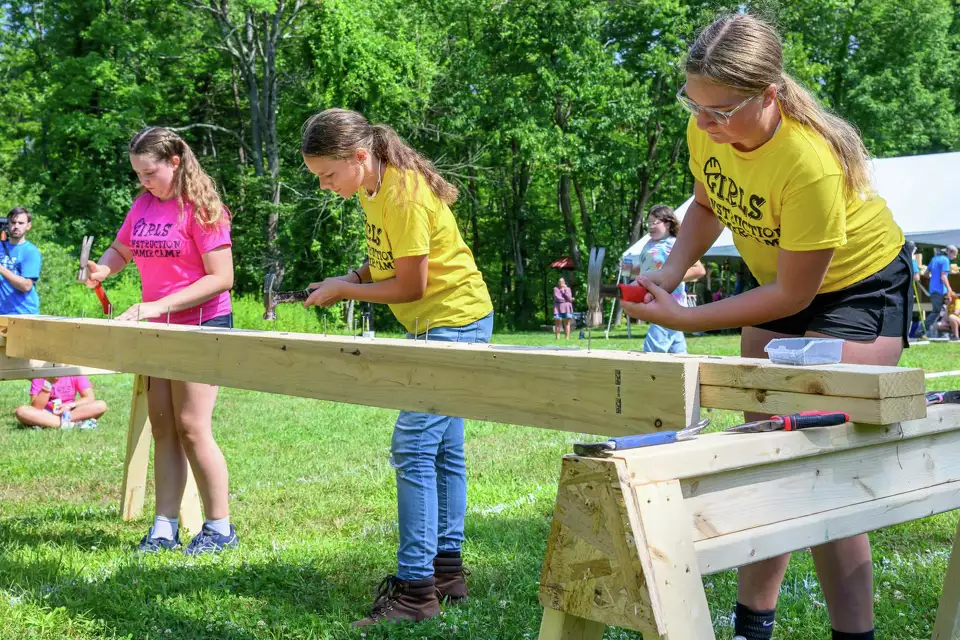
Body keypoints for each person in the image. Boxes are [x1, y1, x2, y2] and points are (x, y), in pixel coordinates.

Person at [621, 14, 909, 640]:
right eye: (694, 106)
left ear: (769, 95)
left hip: (857, 286)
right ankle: (753, 627)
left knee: (823, 455)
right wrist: (669, 275)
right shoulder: (710, 127)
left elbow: (794, 292)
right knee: (765, 452)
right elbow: (705, 204)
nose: (704, 124)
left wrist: (689, 318)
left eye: (719, 111)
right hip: (783, 278)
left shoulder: (808, 161)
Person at [299, 108, 493, 627]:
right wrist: (351, 275)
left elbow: (412, 286)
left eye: (327, 175)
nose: (324, 186)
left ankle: (414, 594)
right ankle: (446, 571)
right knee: (443, 450)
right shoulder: (373, 188)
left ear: (359, 157)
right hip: (440, 324)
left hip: (454, 323)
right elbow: (389, 262)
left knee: (412, 447)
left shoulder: (403, 193)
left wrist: (345, 290)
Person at [83, 127, 237, 555]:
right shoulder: (143, 205)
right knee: (164, 426)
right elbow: (121, 248)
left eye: (149, 172)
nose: (142, 182)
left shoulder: (204, 209)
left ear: (175, 162)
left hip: (202, 325)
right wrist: (103, 270)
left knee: (192, 426)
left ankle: (220, 528)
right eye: (137, 174)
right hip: (158, 325)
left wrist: (158, 306)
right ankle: (164, 528)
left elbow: (222, 278)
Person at [622, 205, 705, 353]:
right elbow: (647, 270)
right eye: (649, 223)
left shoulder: (676, 244)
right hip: (653, 302)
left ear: (667, 223)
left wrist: (670, 277)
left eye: (655, 222)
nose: (650, 226)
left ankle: (646, 375)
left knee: (651, 353)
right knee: (679, 355)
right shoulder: (649, 244)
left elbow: (699, 270)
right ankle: (688, 375)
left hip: (670, 303)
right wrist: (629, 271)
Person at [15, 375, 107, 429]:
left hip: (71, 412)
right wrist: (48, 383)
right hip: (47, 413)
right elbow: (36, 407)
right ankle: (73, 424)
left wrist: (69, 405)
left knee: (101, 405)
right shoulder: (39, 375)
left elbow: (89, 397)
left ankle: (50, 424)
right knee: (21, 411)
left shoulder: (73, 372)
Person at [0, 207, 42, 315]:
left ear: (28, 226)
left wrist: (1, 269)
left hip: (24, 313)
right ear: (7, 224)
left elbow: (26, 286)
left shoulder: (30, 251)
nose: (16, 226)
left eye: (21, 223)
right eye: (13, 222)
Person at [924, 245, 957, 338]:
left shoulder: (934, 259)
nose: (955, 257)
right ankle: (921, 331)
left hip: (934, 289)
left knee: (944, 310)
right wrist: (949, 288)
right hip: (940, 290)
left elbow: (926, 274)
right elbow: (943, 276)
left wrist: (933, 279)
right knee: (936, 312)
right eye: (955, 254)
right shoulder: (945, 260)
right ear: (949, 252)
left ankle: (940, 332)